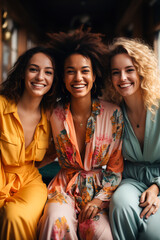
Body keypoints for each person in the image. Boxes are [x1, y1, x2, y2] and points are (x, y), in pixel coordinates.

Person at [38, 29, 124, 240]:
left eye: (85, 71)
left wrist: (98, 200)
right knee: (54, 220)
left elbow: (115, 167)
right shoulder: (53, 113)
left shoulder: (113, 113)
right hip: (63, 188)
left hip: (98, 191)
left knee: (101, 234)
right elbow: (47, 151)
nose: (78, 78)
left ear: (94, 75)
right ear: (63, 77)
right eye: (70, 71)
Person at [104, 37, 160, 240]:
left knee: (153, 233)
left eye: (129, 70)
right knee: (120, 203)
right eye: (115, 72)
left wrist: (156, 188)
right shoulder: (114, 111)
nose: (122, 77)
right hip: (131, 178)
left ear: (141, 71)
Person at [0, 46, 57, 240]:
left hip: (30, 180)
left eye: (48, 72)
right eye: (33, 69)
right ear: (23, 72)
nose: (40, 77)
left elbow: (54, 151)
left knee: (15, 215)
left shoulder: (51, 116)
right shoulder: (1, 105)